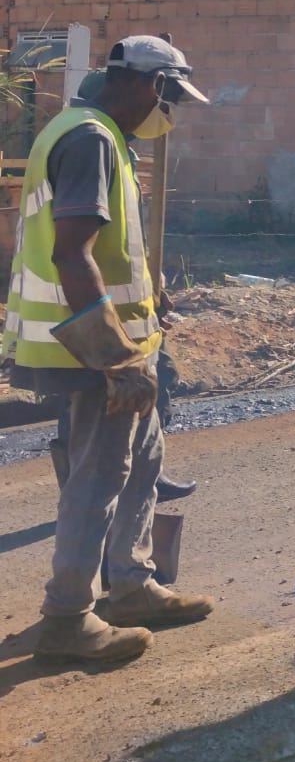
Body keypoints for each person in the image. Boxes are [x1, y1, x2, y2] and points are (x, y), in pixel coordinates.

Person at [7, 35, 216, 664]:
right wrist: (116, 357)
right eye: (171, 95)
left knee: (143, 460)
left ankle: (129, 584)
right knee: (99, 474)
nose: (171, 112)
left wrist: (148, 307)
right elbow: (70, 253)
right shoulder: (92, 138)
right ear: (150, 84)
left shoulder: (100, 135)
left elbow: (106, 254)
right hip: (92, 350)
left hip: (124, 340)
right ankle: (67, 616)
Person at [45, 69, 195, 503]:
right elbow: (76, 248)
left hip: (128, 309)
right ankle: (86, 484)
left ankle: (143, 472)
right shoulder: (92, 147)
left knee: (154, 380)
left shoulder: (120, 152)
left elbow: (125, 241)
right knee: (92, 403)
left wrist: (153, 284)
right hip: (92, 309)